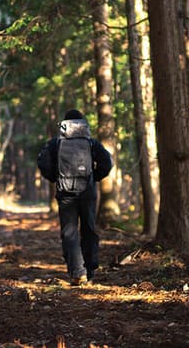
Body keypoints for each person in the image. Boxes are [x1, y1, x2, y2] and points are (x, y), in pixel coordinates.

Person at [37, 109, 112, 286]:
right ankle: (91, 271)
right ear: (83, 124)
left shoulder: (55, 143)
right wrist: (94, 178)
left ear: (65, 124)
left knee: (69, 232)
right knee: (89, 229)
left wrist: (55, 178)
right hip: (88, 191)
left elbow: (43, 163)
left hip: (65, 192)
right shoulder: (91, 143)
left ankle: (77, 272)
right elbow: (107, 163)